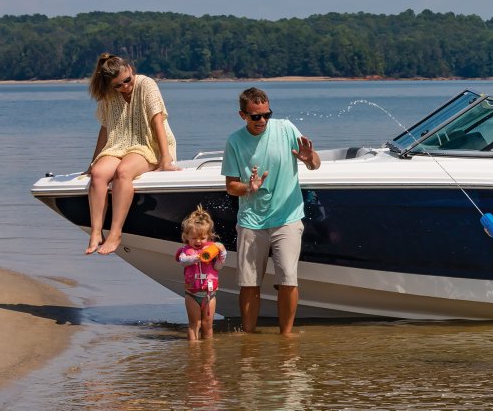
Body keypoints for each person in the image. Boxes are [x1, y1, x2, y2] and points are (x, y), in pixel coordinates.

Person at [221, 87, 320, 336]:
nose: (262, 120)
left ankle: (287, 339)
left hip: (287, 217)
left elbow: (315, 164)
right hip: (251, 221)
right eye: (256, 116)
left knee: (288, 279)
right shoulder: (234, 141)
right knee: (249, 283)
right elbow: (231, 186)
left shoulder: (286, 129)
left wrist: (309, 159)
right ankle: (248, 338)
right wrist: (249, 187)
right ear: (243, 115)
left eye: (267, 114)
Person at [85, 53, 177, 255]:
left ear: (131, 69)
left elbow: (157, 121)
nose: (125, 86)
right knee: (98, 174)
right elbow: (105, 128)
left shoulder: (146, 84)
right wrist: (92, 162)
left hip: (148, 145)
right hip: (118, 145)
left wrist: (165, 158)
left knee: (123, 171)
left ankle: (115, 233)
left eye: (127, 80)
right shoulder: (109, 95)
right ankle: (96, 232)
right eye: (118, 85)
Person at [175, 205, 225, 342]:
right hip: (192, 294)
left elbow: (218, 266)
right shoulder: (186, 251)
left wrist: (222, 253)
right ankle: (193, 350)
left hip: (209, 294)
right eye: (194, 238)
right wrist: (197, 258)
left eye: (202, 238)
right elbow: (183, 261)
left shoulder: (211, 250)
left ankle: (208, 350)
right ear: (187, 236)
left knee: (207, 324)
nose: (198, 241)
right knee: (194, 324)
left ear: (209, 237)